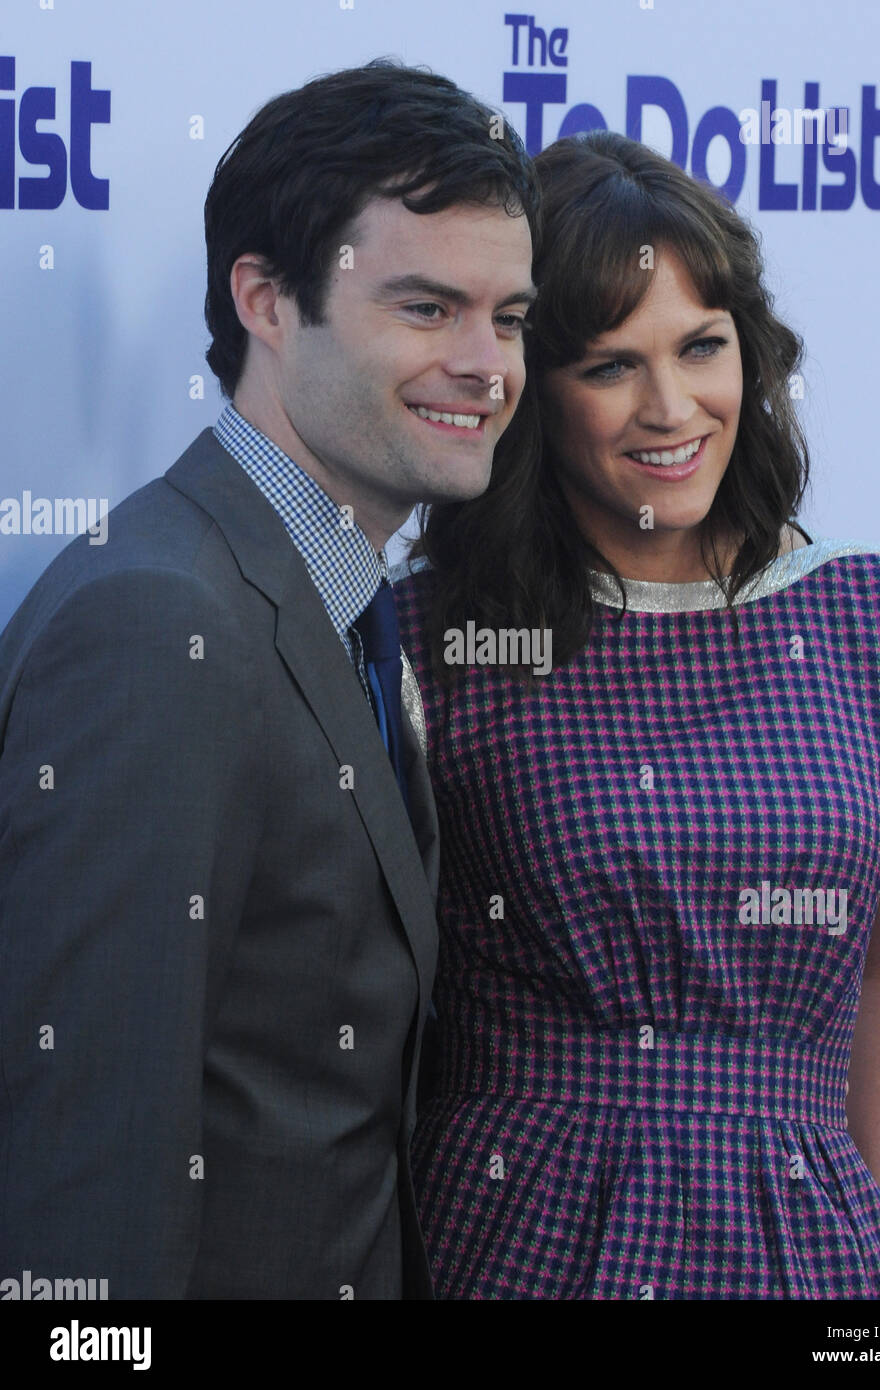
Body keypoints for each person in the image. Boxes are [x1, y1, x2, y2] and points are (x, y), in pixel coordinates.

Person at [391, 129, 880, 1299]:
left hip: (818, 1254)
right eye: (608, 365)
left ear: (749, 354)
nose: (671, 408)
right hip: (512, 1238)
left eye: (701, 347)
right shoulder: (426, 642)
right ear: (529, 390)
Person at [0, 59, 538, 1299]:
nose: (486, 364)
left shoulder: (348, 603)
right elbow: (91, 1167)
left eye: (506, 318)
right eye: (424, 307)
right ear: (266, 298)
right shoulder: (157, 622)